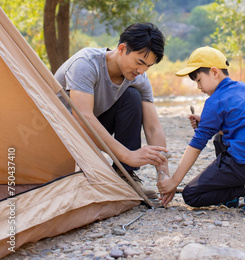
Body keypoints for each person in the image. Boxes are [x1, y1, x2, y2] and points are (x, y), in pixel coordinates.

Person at [157, 46, 245, 213]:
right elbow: (242, 124)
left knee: (191, 195)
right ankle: (233, 195)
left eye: (199, 80)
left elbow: (197, 144)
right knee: (218, 138)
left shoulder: (215, 100)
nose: (199, 87)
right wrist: (208, 122)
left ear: (214, 72)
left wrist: (174, 182)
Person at [55, 22, 169, 190]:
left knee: (132, 97)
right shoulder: (86, 63)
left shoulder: (139, 78)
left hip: (90, 132)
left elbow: (153, 128)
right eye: (139, 62)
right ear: (121, 49)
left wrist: (164, 175)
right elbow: (82, 117)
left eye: (148, 66)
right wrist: (128, 155)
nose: (141, 70)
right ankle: (118, 164)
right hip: (60, 134)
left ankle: (125, 175)